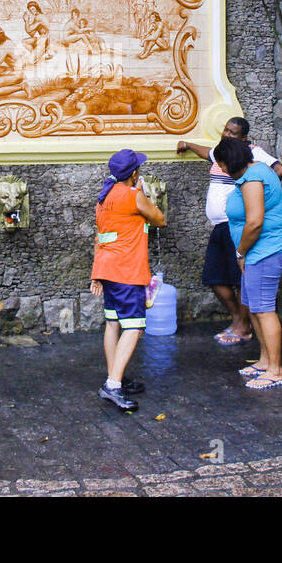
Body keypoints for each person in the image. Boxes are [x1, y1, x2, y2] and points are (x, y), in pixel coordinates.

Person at [177, 117, 282, 346]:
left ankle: (243, 327)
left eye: (233, 133)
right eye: (226, 130)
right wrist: (187, 144)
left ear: (244, 139)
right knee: (214, 276)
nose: (227, 134)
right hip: (219, 226)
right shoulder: (221, 153)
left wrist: (257, 193)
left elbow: (280, 169)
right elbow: (207, 152)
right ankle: (239, 320)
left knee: (240, 280)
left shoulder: (251, 154)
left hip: (236, 225)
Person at [215, 135, 282, 390]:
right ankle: (264, 361)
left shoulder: (252, 180)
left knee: (263, 309)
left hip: (266, 250)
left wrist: (240, 252)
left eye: (221, 164)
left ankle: (275, 369)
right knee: (253, 306)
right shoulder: (259, 168)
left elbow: (254, 222)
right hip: (257, 251)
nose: (221, 169)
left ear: (230, 162)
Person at [90, 148, 165, 412]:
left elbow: (101, 238)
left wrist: (95, 274)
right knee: (133, 327)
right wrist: (142, 193)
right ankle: (112, 385)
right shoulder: (134, 197)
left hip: (108, 270)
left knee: (113, 324)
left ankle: (116, 376)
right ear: (134, 173)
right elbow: (160, 218)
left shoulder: (103, 197)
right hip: (127, 271)